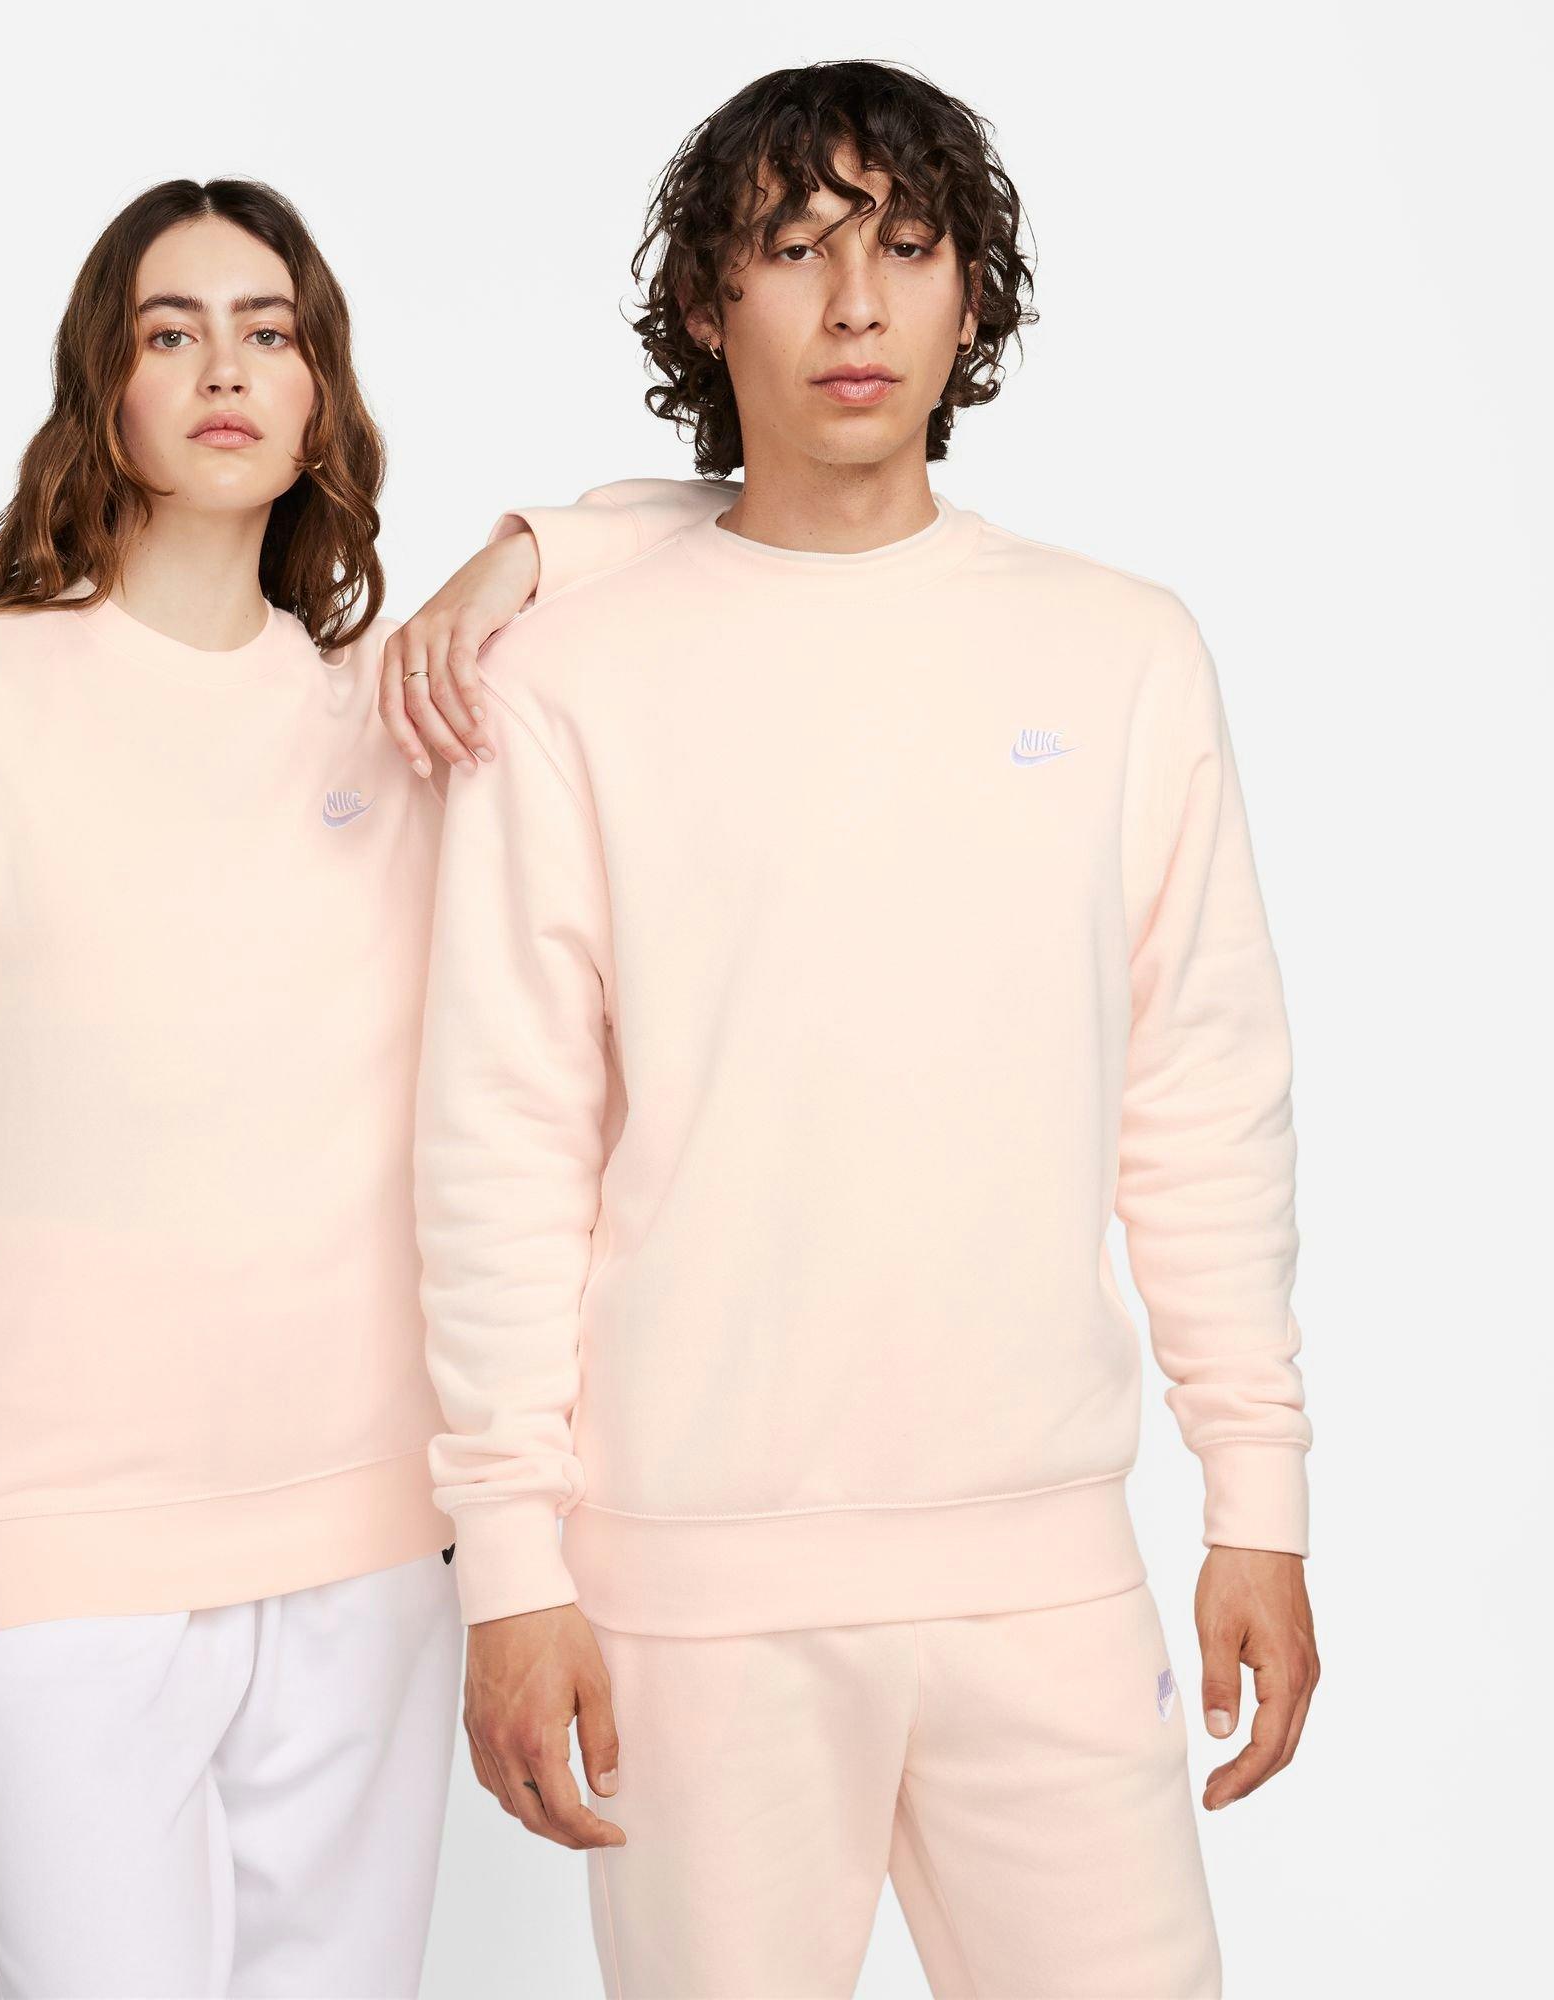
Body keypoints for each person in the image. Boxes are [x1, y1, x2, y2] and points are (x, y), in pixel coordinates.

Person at [411, 59, 1320, 1998]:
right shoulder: (566, 675)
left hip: (1043, 1569)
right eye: (793, 249)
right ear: (702, 302)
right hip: (691, 1588)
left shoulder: (1118, 649)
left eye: (906, 249)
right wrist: (509, 1563)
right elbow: (501, 1136)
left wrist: (1258, 1499)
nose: (852, 305)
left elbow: (1200, 1103)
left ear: (970, 299)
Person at [0, 173, 687, 1999]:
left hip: (371, 1553)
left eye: (269, 334)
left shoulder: (401, 718)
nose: (224, 370)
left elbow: (708, 526)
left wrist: (514, 560)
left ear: (318, 394)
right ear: (102, 388)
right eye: (170, 332)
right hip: (56, 1570)